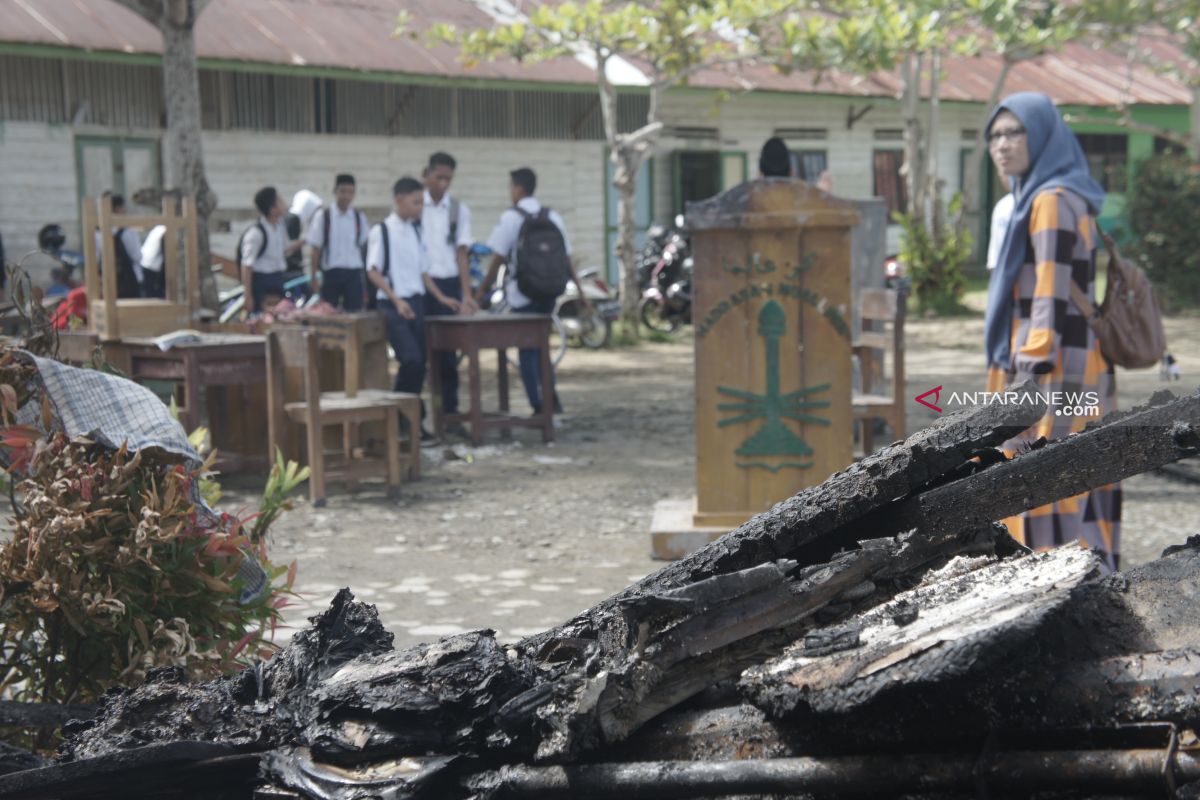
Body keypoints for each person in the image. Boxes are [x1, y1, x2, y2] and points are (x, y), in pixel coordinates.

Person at [983, 91, 1120, 570]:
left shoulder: (1051, 200)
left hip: (1055, 364)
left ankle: (1055, 582)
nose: (1003, 144)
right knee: (1070, 471)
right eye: (995, 135)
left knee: (1044, 472)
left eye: (1015, 132)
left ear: (1042, 135)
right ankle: (1082, 578)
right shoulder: (1041, 196)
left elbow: (1051, 289)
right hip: (1061, 357)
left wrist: (1030, 366)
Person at [479, 167, 589, 415]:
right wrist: (581, 292)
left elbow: (497, 256)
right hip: (549, 292)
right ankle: (552, 400)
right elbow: (567, 259)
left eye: (510, 187)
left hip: (523, 293)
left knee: (527, 351)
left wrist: (482, 290)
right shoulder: (553, 216)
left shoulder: (511, 217)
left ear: (518, 188)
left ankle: (538, 405)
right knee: (542, 347)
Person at [366, 177, 461, 440]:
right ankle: (398, 418)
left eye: (421, 202)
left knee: (421, 364)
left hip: (417, 302)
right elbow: (374, 272)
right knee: (411, 360)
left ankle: (412, 422)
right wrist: (396, 300)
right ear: (399, 200)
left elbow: (423, 272)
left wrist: (441, 297)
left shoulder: (415, 230)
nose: (420, 207)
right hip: (393, 304)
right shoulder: (382, 231)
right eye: (415, 202)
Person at [422, 153, 477, 428]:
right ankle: (420, 420)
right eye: (438, 177)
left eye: (448, 179)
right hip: (419, 288)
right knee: (420, 357)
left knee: (448, 357)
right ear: (426, 175)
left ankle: (449, 416)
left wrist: (466, 295)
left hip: (448, 286)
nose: (443, 183)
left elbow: (462, 254)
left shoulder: (458, 210)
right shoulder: (413, 206)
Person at [307, 174, 369, 311]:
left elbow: (364, 247)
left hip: (353, 273)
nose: (346, 196)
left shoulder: (359, 218)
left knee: (354, 313)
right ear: (335, 192)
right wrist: (313, 277)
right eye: (343, 191)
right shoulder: (323, 217)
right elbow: (315, 249)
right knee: (328, 312)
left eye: (350, 192)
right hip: (331, 273)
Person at [241, 186, 303, 315]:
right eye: (280, 200)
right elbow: (247, 265)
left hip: (277, 278)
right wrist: (248, 295)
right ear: (272, 209)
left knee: (279, 315)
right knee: (261, 318)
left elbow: (286, 250)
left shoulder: (280, 226)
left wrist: (306, 240)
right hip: (261, 281)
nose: (284, 203)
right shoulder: (256, 233)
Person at [94, 193, 144, 298]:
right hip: (129, 283)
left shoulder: (97, 233)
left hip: (105, 283)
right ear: (118, 209)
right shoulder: (128, 231)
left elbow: (95, 260)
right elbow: (137, 257)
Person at [985, 176, 1015, 271]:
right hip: (1002, 268)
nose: (1004, 177)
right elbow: (996, 247)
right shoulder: (1002, 206)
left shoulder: (1037, 200)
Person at [140, 224, 167, 298]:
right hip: (152, 266)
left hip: (146, 263)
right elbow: (165, 253)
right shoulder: (165, 230)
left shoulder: (159, 228)